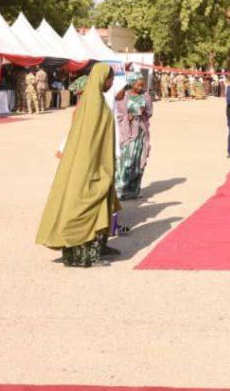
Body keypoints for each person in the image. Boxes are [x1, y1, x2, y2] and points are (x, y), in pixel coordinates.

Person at [35, 63, 120, 268]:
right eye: (110, 79)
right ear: (102, 79)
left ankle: (98, 247)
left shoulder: (94, 102)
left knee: (102, 204)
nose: (112, 83)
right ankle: (83, 257)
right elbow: (91, 142)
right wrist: (98, 168)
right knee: (87, 204)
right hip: (91, 165)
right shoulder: (95, 106)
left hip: (95, 163)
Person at [114, 71, 154, 200]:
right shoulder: (123, 96)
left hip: (141, 133)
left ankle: (134, 189)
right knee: (125, 162)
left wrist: (143, 112)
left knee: (138, 162)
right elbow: (119, 115)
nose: (140, 88)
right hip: (128, 133)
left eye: (142, 85)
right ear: (131, 84)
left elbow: (150, 112)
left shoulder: (146, 96)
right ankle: (120, 189)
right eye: (138, 85)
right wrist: (128, 117)